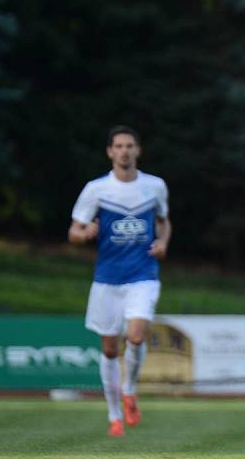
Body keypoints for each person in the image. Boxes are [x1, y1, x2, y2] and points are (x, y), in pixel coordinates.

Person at [68, 125, 171, 437]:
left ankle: (129, 391)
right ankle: (114, 415)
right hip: (107, 280)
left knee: (137, 336)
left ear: (137, 150)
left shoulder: (155, 186)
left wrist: (163, 243)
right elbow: (73, 231)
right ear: (110, 152)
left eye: (129, 146)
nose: (124, 151)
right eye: (119, 146)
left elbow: (163, 223)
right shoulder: (96, 189)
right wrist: (84, 234)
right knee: (110, 350)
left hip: (143, 275)